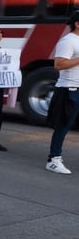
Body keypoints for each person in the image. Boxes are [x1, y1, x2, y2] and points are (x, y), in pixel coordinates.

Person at [45, 11, 79, 174]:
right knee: (63, 126)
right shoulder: (68, 41)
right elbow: (58, 64)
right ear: (77, 23)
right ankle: (53, 159)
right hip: (69, 89)